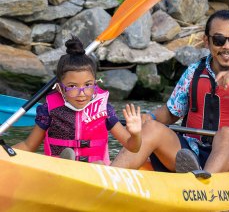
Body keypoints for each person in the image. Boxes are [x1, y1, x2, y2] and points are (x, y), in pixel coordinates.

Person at [111, 9, 229, 175]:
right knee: (152, 128)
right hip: (192, 150)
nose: (227, 47)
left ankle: (202, 186)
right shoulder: (194, 71)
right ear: (206, 41)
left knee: (225, 133)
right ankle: (110, 176)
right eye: (219, 40)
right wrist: (150, 118)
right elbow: (171, 113)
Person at [13, 36, 142, 164]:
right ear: (60, 88)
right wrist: (5, 154)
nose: (82, 93)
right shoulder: (49, 110)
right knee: (65, 164)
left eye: (87, 85)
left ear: (95, 84)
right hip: (59, 172)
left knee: (98, 164)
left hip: (96, 171)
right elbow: (29, 146)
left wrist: (136, 134)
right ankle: (67, 164)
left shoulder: (104, 110)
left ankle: (86, 167)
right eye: (72, 86)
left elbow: (133, 147)